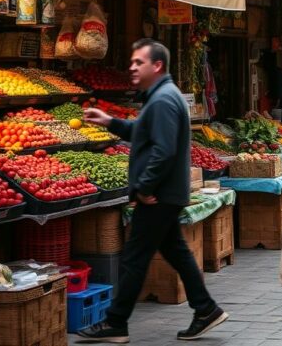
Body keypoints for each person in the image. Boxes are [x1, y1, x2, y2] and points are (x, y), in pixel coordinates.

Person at [81, 39, 227, 342]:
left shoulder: (162, 100)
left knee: (134, 258)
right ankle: (205, 309)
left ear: (157, 65)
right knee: (175, 250)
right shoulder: (160, 97)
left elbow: (162, 150)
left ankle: (116, 323)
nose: (132, 67)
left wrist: (145, 186)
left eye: (138, 63)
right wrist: (111, 122)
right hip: (166, 193)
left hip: (158, 195)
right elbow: (141, 132)